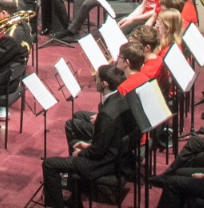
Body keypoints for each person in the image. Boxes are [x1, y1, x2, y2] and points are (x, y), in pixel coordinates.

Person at [40, 63, 137, 208]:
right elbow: (104, 142)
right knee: (74, 142)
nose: (94, 80)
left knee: (49, 164)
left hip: (104, 163)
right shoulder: (123, 99)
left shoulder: (106, 114)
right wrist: (87, 145)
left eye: (96, 79)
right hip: (118, 155)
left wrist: (82, 152)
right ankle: (75, 199)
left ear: (104, 84)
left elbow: (97, 152)